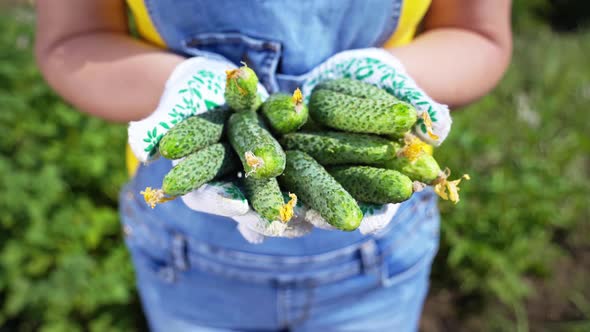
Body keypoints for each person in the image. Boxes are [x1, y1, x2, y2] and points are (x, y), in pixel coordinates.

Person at [35, 1, 512, 331]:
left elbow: (479, 34)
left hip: (378, 259)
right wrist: (181, 82)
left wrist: (396, 77)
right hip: (184, 253)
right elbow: (73, 40)